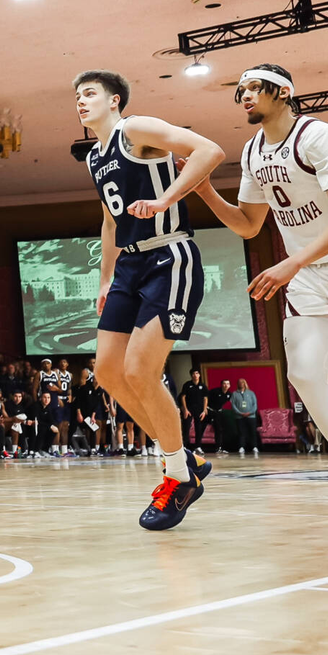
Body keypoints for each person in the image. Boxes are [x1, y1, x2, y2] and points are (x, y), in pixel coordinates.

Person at [194, 64, 328, 539]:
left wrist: (290, 263)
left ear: (284, 92)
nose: (245, 95)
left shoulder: (321, 137)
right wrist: (203, 187)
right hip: (311, 275)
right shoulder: (253, 150)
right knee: (304, 374)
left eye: (254, 87)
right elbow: (250, 225)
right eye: (241, 89)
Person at [75, 68, 223, 530]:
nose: (80, 102)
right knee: (107, 371)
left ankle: (178, 475)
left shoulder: (134, 130)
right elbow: (109, 222)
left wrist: (167, 199)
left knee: (140, 369)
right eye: (77, 96)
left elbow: (210, 151)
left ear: (115, 100)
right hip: (129, 266)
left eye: (90, 94)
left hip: (170, 255)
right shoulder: (94, 158)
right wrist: (103, 280)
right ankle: (185, 459)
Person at [230, 378, 261, 457]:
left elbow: (255, 404)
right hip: (239, 417)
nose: (241, 384)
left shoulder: (251, 393)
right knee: (241, 432)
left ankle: (254, 447)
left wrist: (250, 412)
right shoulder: (234, 393)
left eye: (242, 382)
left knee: (252, 432)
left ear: (245, 383)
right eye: (239, 383)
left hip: (251, 416)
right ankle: (241, 447)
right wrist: (240, 413)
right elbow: (233, 405)